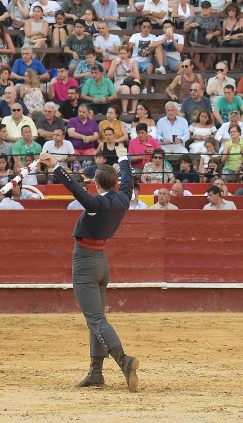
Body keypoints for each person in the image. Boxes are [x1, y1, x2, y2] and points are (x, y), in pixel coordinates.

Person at [38, 145, 139, 392]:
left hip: (85, 262)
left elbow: (74, 189)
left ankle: (124, 361)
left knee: (95, 318)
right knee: (95, 319)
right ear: (115, 182)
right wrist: (123, 155)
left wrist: (54, 166)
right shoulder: (124, 197)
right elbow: (128, 179)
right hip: (101, 262)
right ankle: (96, 373)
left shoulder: (95, 203)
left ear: (96, 183)